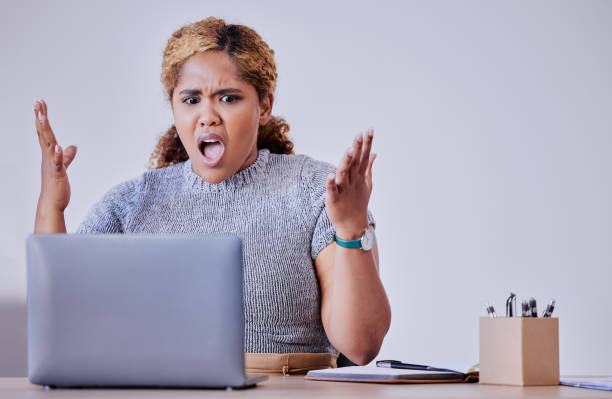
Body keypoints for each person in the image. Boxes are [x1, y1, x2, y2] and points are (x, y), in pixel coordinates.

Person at [33, 16, 391, 374]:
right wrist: (52, 202)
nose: (207, 116)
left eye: (229, 98)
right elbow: (61, 318)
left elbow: (360, 346)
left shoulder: (319, 191)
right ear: (174, 108)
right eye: (191, 100)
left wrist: (350, 226)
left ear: (263, 106)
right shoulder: (131, 203)